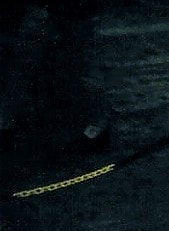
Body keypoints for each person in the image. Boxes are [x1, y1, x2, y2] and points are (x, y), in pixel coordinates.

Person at [0, 0, 109, 154]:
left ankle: (5, 125)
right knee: (80, 63)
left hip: (67, 13)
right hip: (68, 13)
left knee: (25, 64)